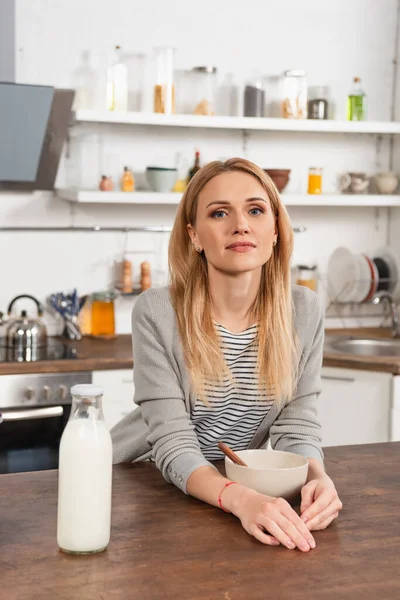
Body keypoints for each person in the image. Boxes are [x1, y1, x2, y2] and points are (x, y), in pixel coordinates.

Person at [111, 157, 343, 553]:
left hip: (228, 492)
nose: (240, 224)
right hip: (142, 485)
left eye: (256, 210)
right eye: (219, 213)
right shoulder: (156, 312)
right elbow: (173, 445)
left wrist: (317, 477)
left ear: (274, 231)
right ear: (195, 235)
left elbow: (298, 427)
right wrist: (243, 500)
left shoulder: (304, 310)